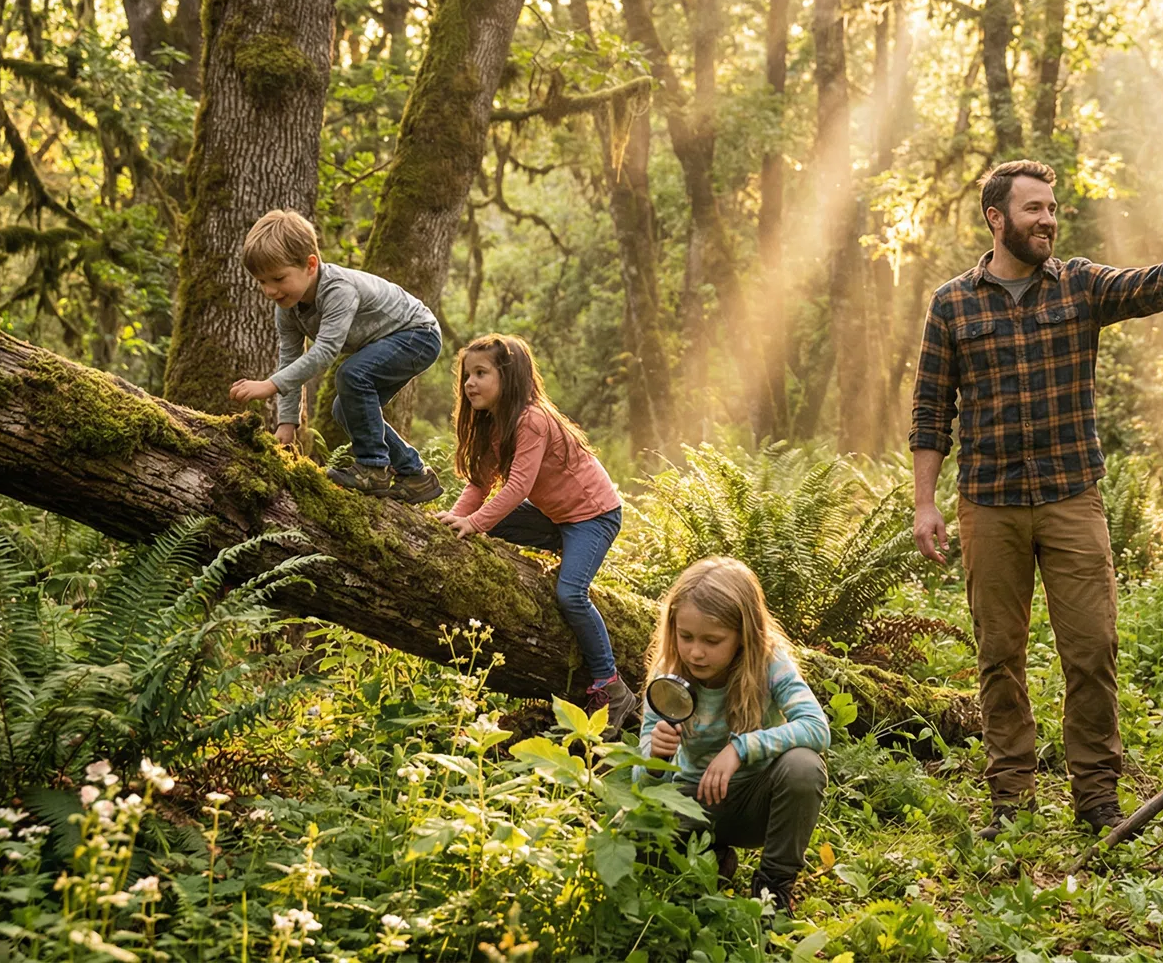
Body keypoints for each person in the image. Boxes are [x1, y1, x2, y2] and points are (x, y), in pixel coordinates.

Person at [908, 158, 1163, 838]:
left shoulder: (1080, 286)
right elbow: (929, 409)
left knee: (1092, 648)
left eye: (1053, 208)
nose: (1048, 220)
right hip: (989, 503)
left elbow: (1152, 285)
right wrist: (927, 502)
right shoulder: (953, 303)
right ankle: (1010, 798)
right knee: (998, 653)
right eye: (1034, 208)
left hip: (1071, 498)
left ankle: (1096, 796)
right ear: (996, 218)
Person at [435, 334, 637, 723]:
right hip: (556, 519)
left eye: (480, 373)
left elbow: (517, 488)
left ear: (508, 378)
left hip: (593, 516)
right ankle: (561, 547)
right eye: (466, 375)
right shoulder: (493, 424)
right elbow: (480, 483)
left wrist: (475, 523)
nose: (469, 383)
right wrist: (453, 522)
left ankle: (611, 688)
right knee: (488, 525)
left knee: (571, 595)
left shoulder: (532, 419)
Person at [637, 557, 831, 912]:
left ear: (743, 636)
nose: (696, 651)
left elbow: (816, 727)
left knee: (803, 766)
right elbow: (645, 784)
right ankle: (712, 861)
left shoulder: (770, 664)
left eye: (713, 640)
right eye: (686, 637)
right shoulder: (667, 677)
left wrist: (740, 749)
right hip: (691, 801)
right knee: (636, 838)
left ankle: (772, 889)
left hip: (754, 802)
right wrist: (654, 759)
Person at [227, 209, 443, 504]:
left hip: (418, 334)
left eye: (278, 278)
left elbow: (325, 352)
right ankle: (415, 475)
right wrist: (287, 422)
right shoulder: (287, 308)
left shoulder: (338, 289)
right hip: (390, 341)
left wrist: (269, 385)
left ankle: (372, 468)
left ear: (310, 265)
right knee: (345, 409)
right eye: (261, 281)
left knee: (351, 375)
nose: (270, 290)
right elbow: (290, 358)